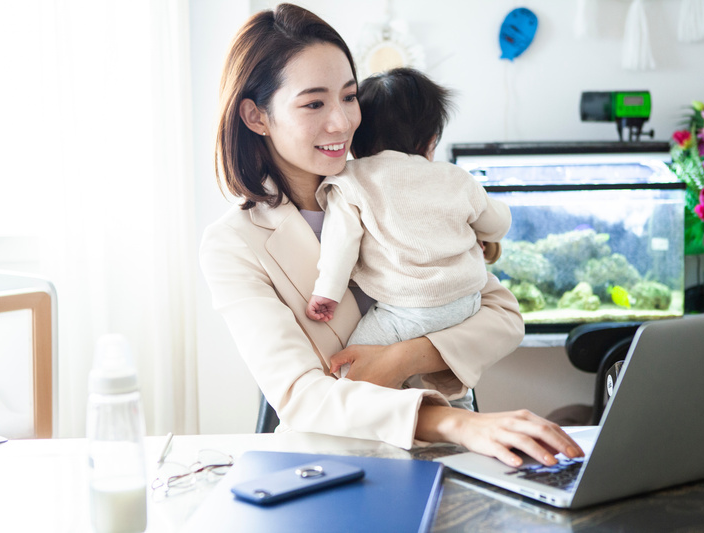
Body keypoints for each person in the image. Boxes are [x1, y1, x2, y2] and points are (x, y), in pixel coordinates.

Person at [201, 3, 583, 467]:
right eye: (314, 103)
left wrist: (406, 357)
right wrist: (454, 422)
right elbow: (302, 395)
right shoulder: (234, 245)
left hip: (458, 456)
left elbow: (502, 314)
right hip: (337, 466)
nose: (342, 122)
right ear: (256, 116)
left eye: (348, 96)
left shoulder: (396, 189)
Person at [306, 69, 510, 400]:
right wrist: (483, 232)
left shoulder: (353, 179)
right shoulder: (454, 177)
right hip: (467, 302)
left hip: (408, 310)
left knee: (350, 372)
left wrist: (327, 292)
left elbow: (340, 242)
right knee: (449, 375)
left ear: (355, 144)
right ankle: (460, 411)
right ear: (430, 141)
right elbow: (497, 223)